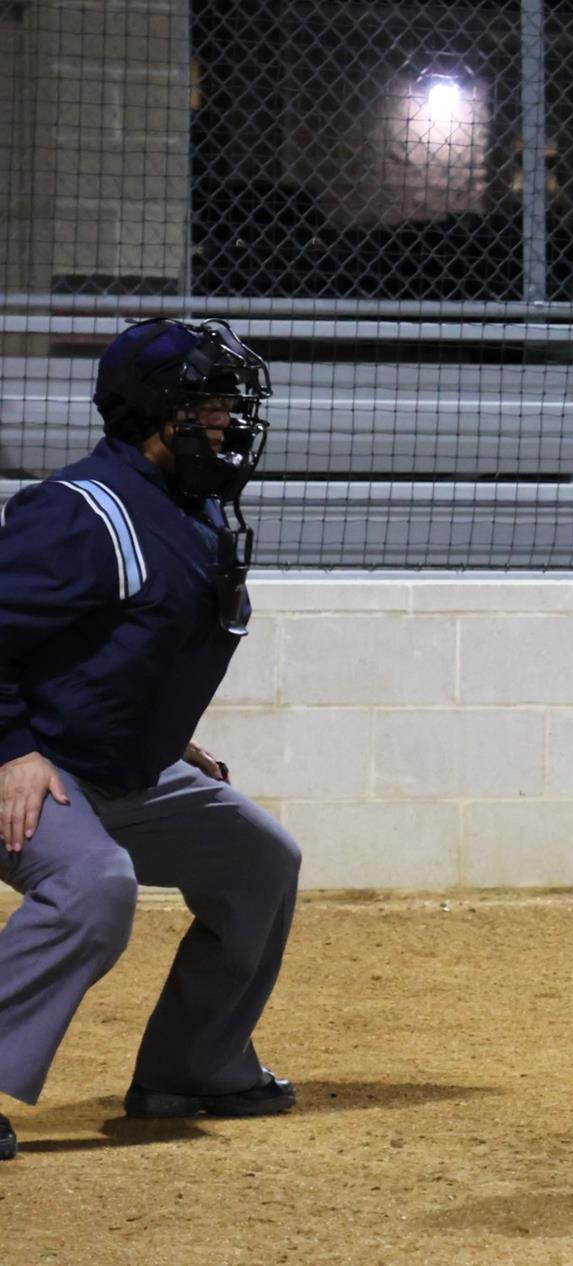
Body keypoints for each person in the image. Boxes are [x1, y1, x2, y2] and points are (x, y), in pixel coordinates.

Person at [0, 318, 303, 1160]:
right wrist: (10, 749)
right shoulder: (81, 512)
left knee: (259, 862)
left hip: (111, 766)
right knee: (95, 887)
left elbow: (123, 648)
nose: (228, 421)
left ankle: (192, 1070)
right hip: (25, 763)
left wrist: (169, 737)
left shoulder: (190, 507)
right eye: (209, 404)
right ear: (152, 413)